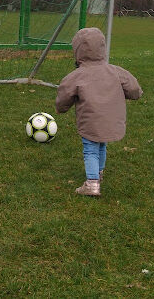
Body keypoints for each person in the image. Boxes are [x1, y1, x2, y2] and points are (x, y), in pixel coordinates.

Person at [55, 27, 142, 197]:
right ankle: (99, 173)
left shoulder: (77, 75)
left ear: (78, 50)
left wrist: (61, 108)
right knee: (101, 144)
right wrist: (136, 95)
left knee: (90, 149)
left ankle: (92, 183)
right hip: (111, 119)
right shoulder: (116, 71)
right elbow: (134, 89)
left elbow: (64, 95)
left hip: (90, 121)